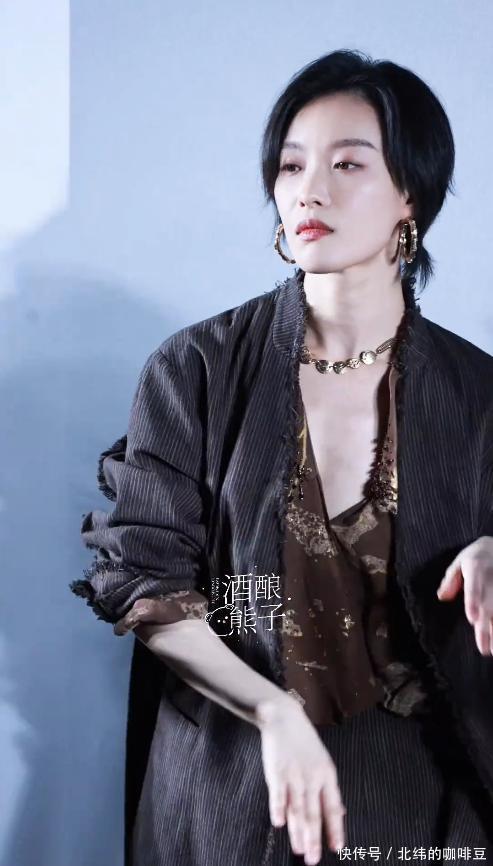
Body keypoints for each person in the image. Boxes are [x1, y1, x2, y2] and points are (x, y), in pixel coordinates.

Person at [70, 48, 493, 866]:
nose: (309, 189)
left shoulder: (477, 394)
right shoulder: (194, 369)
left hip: (423, 801)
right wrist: (274, 713)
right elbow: (145, 580)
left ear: (411, 193)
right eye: (291, 164)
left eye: (347, 164)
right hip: (234, 784)